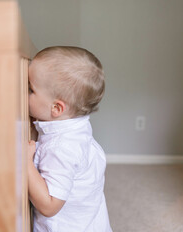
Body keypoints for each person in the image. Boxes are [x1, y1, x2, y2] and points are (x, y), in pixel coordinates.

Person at [28, 46, 112, 231]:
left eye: (30, 89)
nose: (24, 94)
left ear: (56, 109)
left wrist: (25, 163)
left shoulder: (61, 148)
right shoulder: (76, 126)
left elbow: (49, 206)